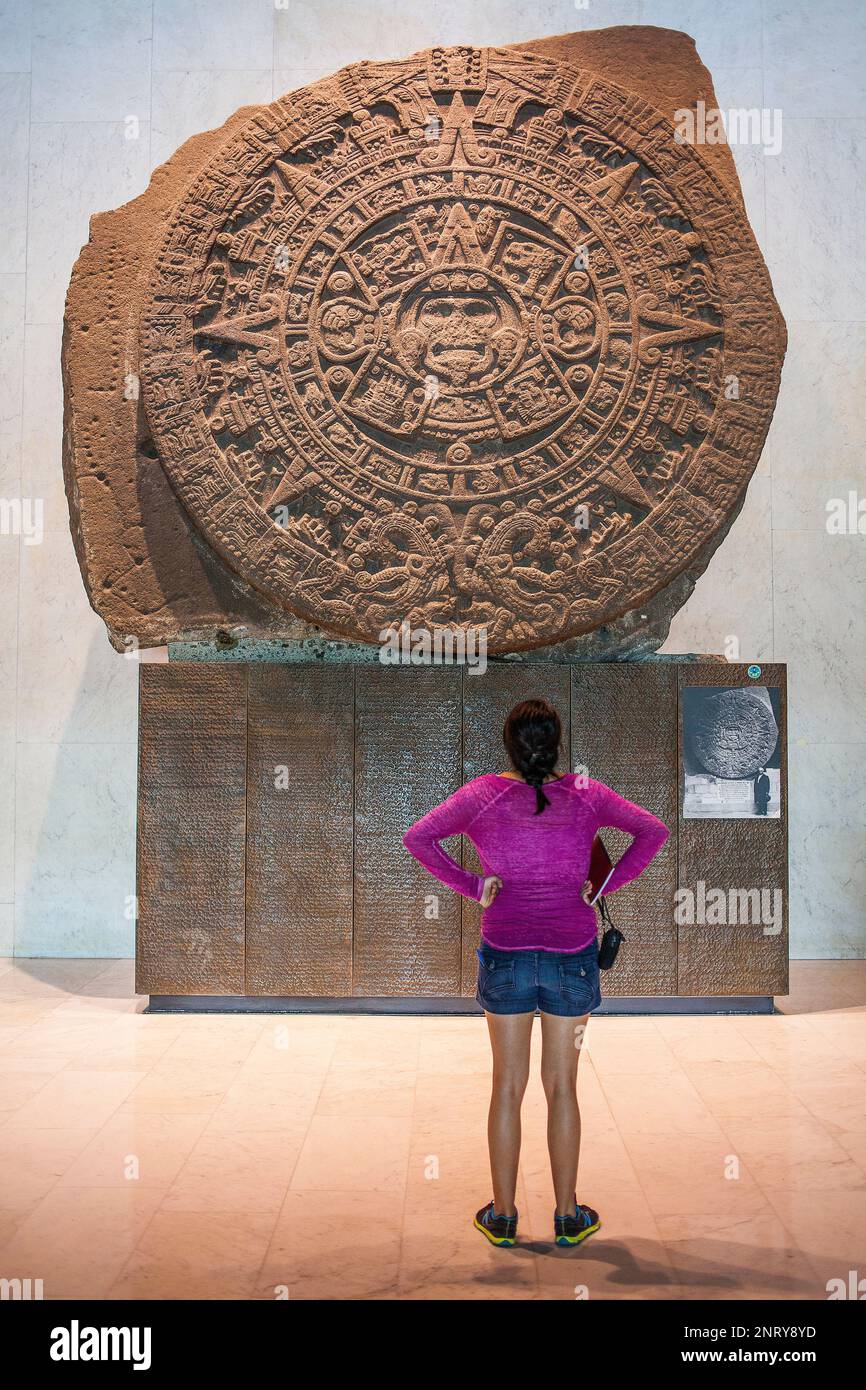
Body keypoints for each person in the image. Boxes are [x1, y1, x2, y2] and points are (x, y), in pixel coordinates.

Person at [402, 697, 669, 1249]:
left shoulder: (481, 794)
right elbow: (653, 831)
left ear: (508, 742)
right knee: (562, 1087)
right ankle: (569, 1216)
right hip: (572, 955)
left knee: (507, 1087)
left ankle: (502, 1217)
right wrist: (603, 887)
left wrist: (476, 887)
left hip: (505, 953)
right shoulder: (586, 793)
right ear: (555, 742)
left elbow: (418, 838)